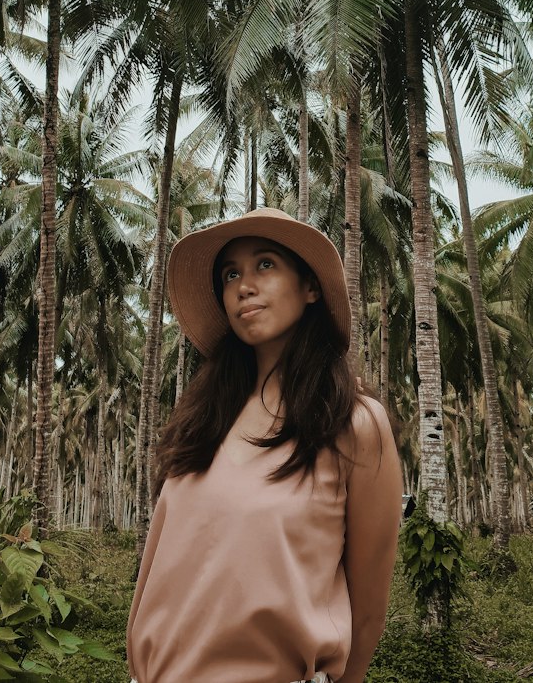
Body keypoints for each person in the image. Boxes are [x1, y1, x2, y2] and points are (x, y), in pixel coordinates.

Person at [126, 207, 403, 683]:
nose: (243, 285)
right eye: (230, 273)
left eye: (266, 265)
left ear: (310, 287)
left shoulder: (353, 425)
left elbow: (369, 613)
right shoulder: (203, 422)